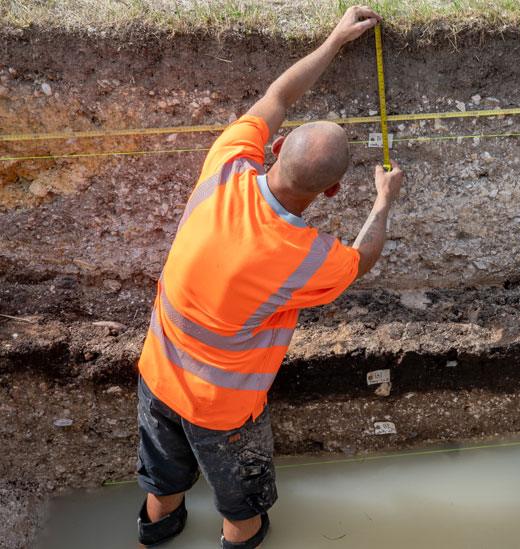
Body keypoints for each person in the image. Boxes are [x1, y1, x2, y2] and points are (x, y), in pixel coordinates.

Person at [133, 6, 402, 548]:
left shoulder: (226, 164)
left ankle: (155, 535)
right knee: (243, 512)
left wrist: (332, 43)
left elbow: (277, 99)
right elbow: (360, 258)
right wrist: (383, 201)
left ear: (274, 149)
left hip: (157, 377)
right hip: (224, 413)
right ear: (329, 193)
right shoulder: (306, 257)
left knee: (162, 486)